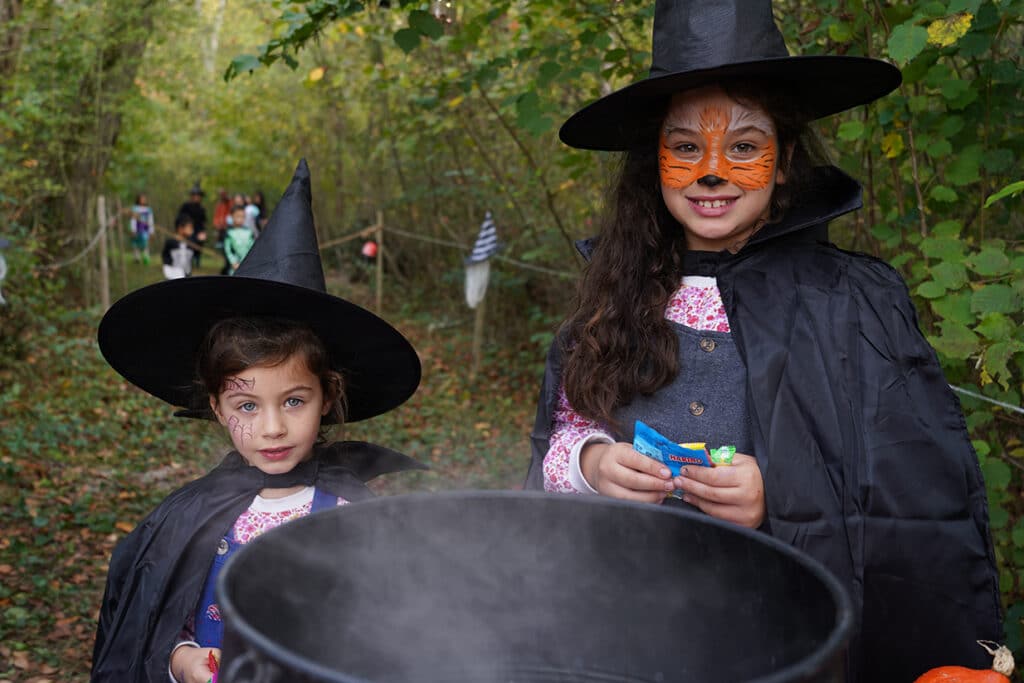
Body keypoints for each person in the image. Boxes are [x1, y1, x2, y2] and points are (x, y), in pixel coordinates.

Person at [523, 2, 1002, 681]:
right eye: (686, 146)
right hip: (629, 622)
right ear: (653, 164)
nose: (711, 171)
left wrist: (778, 493)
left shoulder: (852, 304)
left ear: (783, 163)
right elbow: (563, 430)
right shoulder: (611, 298)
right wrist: (593, 464)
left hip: (780, 628)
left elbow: (903, 495)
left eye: (743, 146)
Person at [91, 160, 423, 683]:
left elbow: (385, 630)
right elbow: (156, 626)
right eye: (248, 406)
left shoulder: (350, 514)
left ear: (328, 397)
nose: (272, 428)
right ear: (218, 408)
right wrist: (182, 660)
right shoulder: (192, 517)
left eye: (294, 401)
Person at [177, 182, 208, 269]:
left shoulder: (202, 209)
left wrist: (203, 232)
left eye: (198, 195)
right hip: (187, 230)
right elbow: (180, 218)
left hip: (198, 230)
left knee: (200, 241)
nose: (196, 197)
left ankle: (197, 259)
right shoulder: (185, 206)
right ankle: (188, 260)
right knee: (189, 242)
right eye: (195, 195)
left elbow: (203, 222)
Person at [161, 213, 196, 280]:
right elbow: (165, 256)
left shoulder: (191, 243)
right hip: (173, 275)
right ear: (180, 228)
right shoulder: (170, 242)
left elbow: (195, 253)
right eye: (190, 227)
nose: (192, 230)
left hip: (187, 275)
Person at [223, 204, 256, 275]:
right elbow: (228, 250)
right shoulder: (229, 233)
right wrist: (233, 262)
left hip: (247, 266)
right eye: (238, 216)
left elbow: (252, 248)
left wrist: (250, 262)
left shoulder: (249, 232)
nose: (240, 219)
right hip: (234, 268)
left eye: (243, 217)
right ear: (232, 217)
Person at [129, 194, 155, 264]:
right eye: (142, 199)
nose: (143, 200)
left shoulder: (148, 209)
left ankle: (146, 257)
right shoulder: (135, 208)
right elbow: (133, 220)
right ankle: (136, 258)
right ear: (138, 199)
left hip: (145, 228)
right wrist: (133, 229)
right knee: (135, 243)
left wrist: (151, 231)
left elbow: (150, 220)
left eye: (144, 199)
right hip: (137, 228)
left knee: (145, 243)